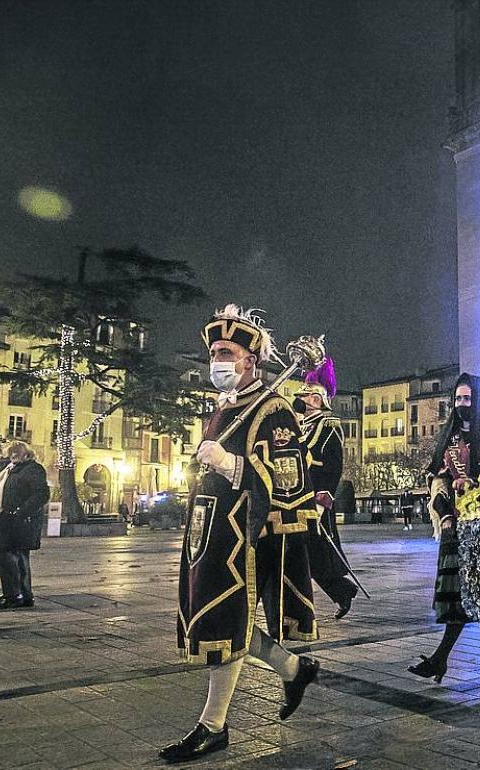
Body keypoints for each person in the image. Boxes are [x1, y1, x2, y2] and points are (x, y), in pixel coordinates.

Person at [161, 305, 321, 764]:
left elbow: (289, 477)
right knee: (215, 620)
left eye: (225, 351)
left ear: (251, 359)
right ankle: (293, 669)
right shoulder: (224, 408)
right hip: (207, 531)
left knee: (224, 620)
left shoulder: (274, 408)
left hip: (244, 535)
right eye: (213, 352)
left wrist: (230, 463)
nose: (217, 360)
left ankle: (213, 726)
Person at [409, 373, 480, 683]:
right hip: (454, 523)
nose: (462, 405)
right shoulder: (450, 437)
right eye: (458, 399)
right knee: (467, 592)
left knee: (477, 591)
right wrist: (444, 505)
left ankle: (440, 659)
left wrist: (474, 483)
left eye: (467, 400)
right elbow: (437, 476)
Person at [293, 357, 360, 620]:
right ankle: (341, 590)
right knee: (307, 553)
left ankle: (342, 590)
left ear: (318, 400)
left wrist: (324, 499)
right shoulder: (301, 426)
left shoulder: (329, 426)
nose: (302, 400)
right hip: (299, 496)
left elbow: (333, 465)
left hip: (317, 499)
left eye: (307, 396)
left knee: (316, 552)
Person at [0, 442, 49, 610]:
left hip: (21, 522)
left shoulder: (33, 469)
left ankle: (15, 595)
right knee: (17, 557)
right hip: (9, 519)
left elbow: (42, 494)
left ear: (28, 454)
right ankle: (22, 595)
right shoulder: (10, 469)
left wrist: (21, 513)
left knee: (9, 555)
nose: (13, 455)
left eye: (17, 452)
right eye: (11, 452)